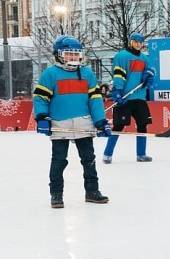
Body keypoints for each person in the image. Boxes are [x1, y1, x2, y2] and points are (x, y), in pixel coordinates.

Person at [32, 35, 112, 208]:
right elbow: (40, 98)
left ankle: (92, 191)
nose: (73, 57)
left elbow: (95, 100)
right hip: (60, 125)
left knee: (88, 159)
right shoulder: (50, 74)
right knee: (59, 160)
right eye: (69, 54)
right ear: (59, 55)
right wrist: (41, 117)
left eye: (76, 54)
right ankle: (56, 195)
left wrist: (100, 121)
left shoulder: (87, 74)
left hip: (84, 123)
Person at [103, 32, 156, 164]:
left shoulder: (145, 58)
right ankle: (107, 154)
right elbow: (118, 75)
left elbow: (151, 71)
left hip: (140, 97)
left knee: (142, 125)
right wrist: (118, 90)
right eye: (136, 41)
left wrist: (149, 76)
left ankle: (141, 154)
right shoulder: (122, 56)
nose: (138, 44)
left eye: (141, 42)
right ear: (131, 42)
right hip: (125, 97)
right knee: (118, 126)